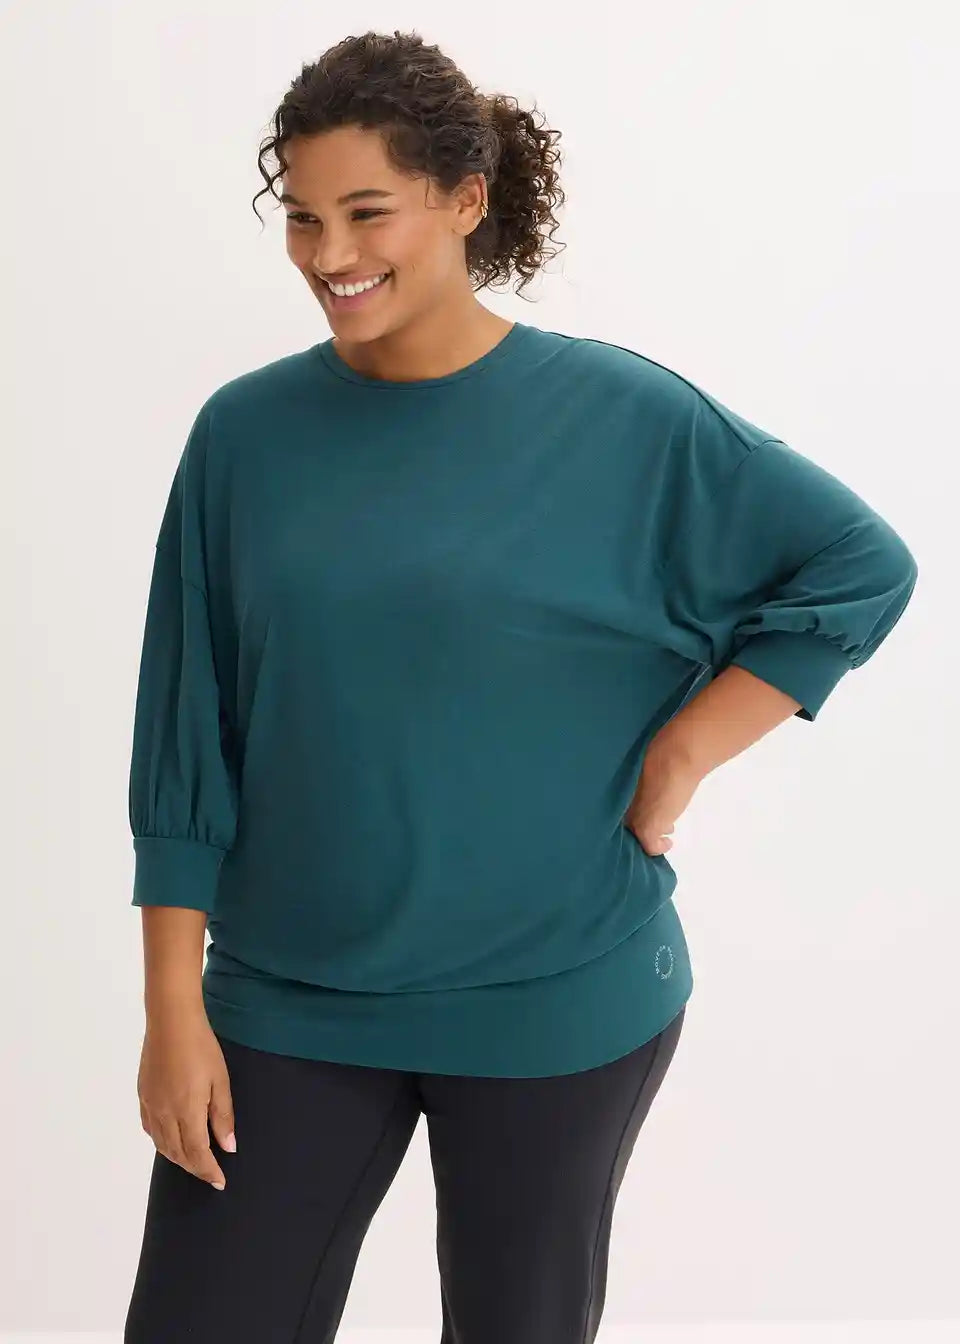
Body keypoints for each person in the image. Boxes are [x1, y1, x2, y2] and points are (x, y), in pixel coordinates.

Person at [122, 29, 918, 1344]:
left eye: (367, 211)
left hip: (559, 997)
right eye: (304, 217)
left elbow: (858, 564)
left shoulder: (624, 418)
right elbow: (184, 732)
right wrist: (171, 1008)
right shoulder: (244, 436)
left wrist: (681, 756)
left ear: (463, 199)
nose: (330, 254)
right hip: (289, 999)